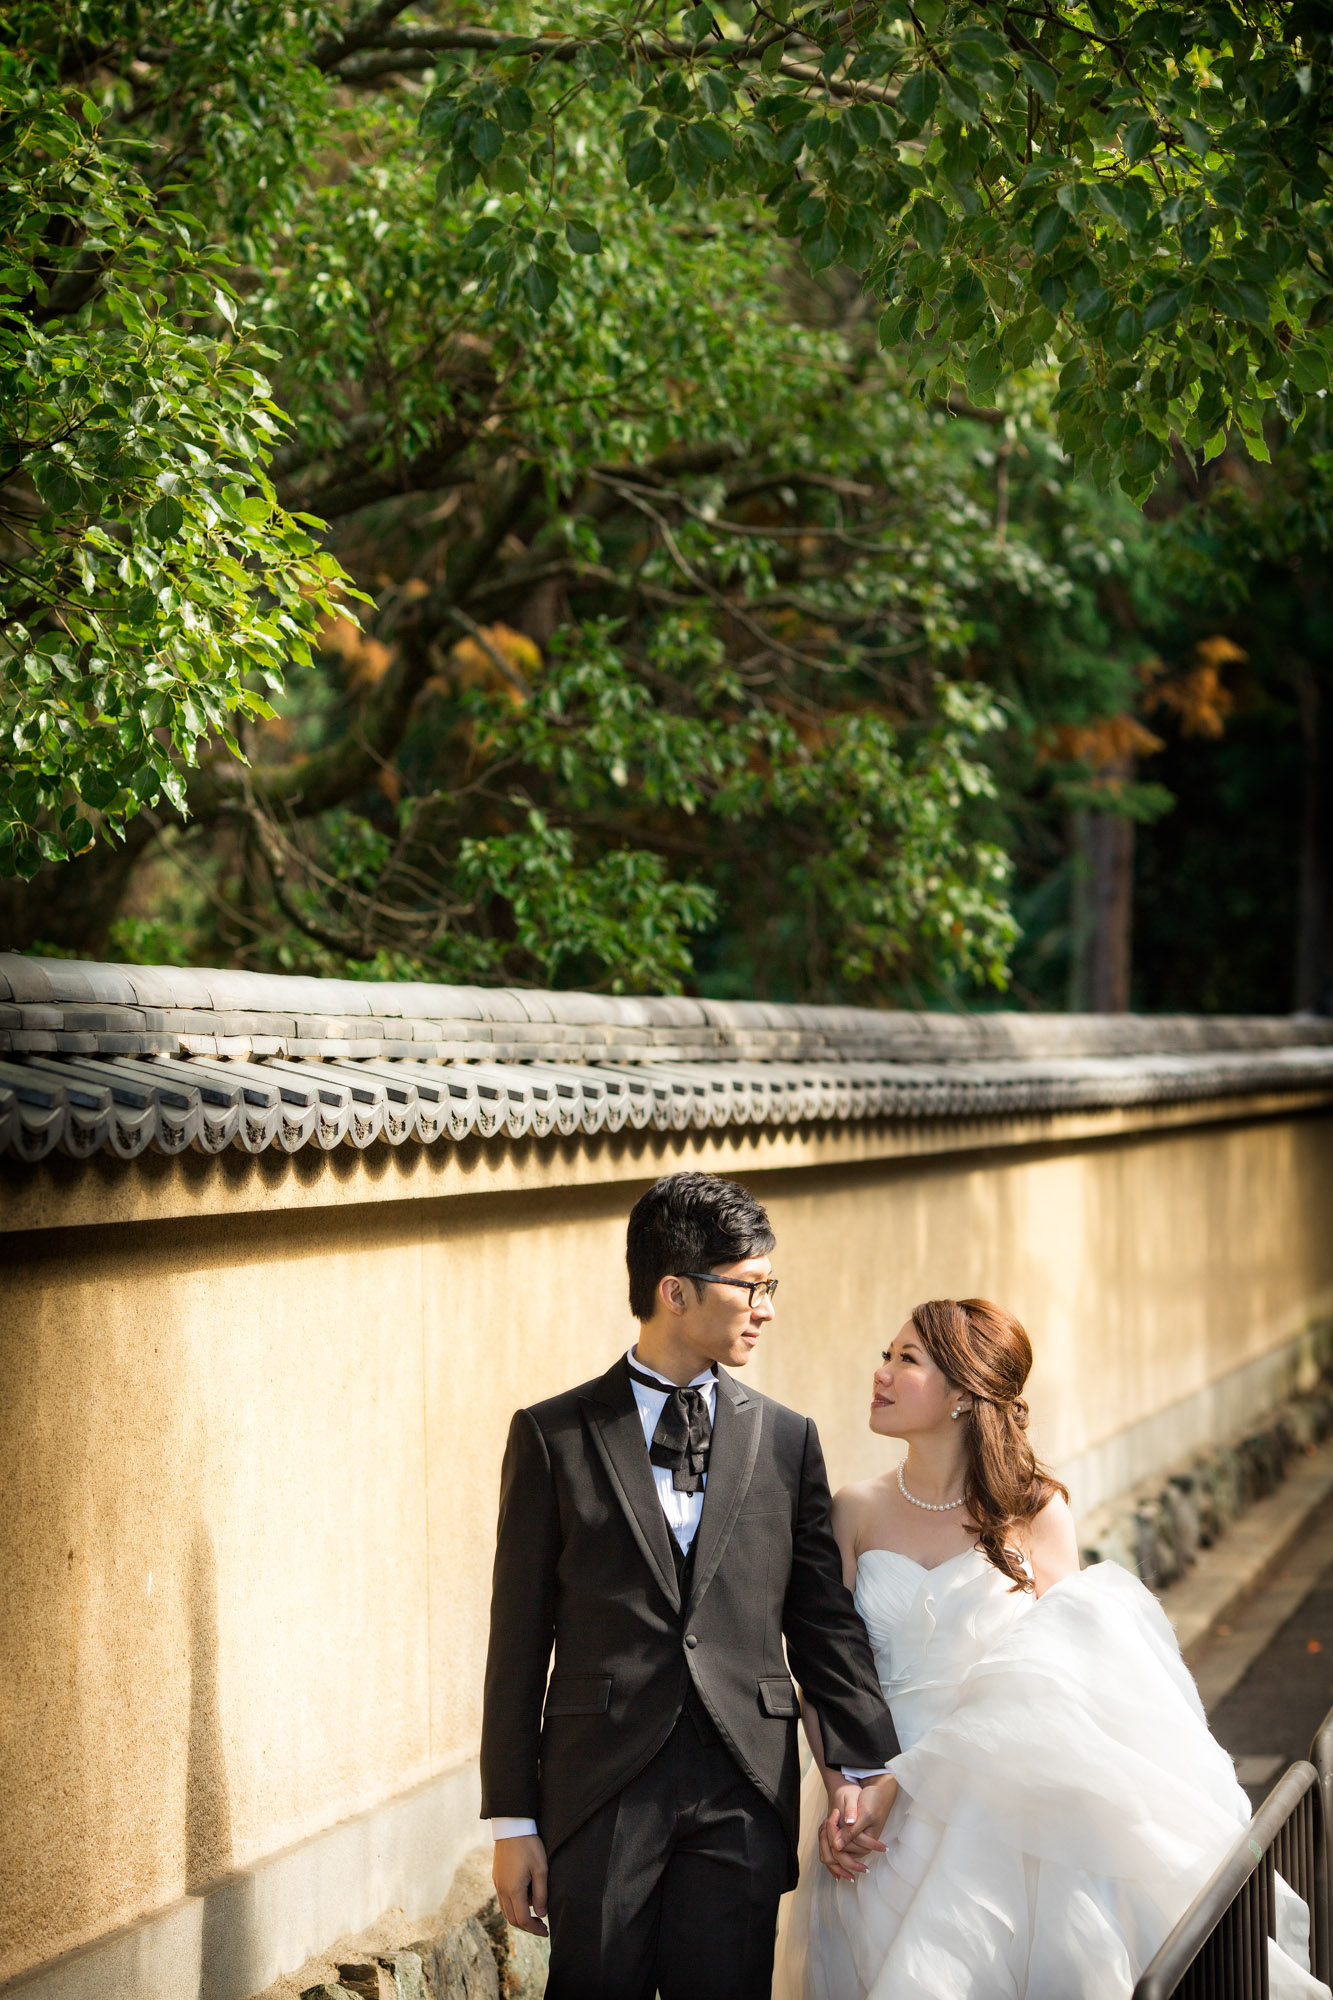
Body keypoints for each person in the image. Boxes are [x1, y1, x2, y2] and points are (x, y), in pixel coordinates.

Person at [774, 1296, 1329, 2000]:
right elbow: (827, 1668)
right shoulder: (855, 1509)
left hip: (1000, 1797)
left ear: (963, 1393)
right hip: (871, 1801)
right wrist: (843, 1791)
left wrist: (907, 1780)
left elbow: (1070, 1670)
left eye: (905, 1359)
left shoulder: (1034, 1511)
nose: (880, 1372)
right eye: (886, 1355)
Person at [480, 1170, 901, 2000]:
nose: (765, 1308)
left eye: (769, 1286)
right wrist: (511, 1820)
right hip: (600, 1786)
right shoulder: (552, 1436)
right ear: (674, 1291)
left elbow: (821, 1621)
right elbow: (517, 1641)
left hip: (741, 1781)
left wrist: (860, 1767)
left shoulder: (786, 1440)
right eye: (750, 1286)